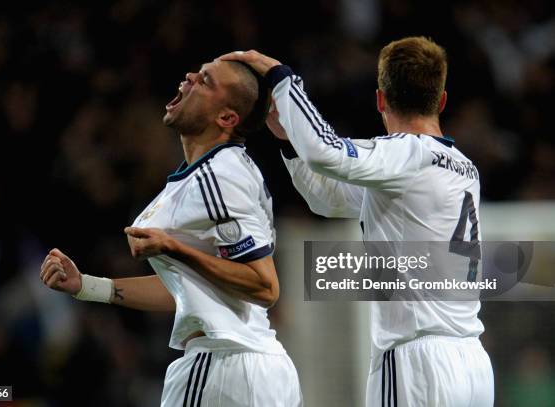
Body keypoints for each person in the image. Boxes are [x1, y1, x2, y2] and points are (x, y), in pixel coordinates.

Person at [220, 37, 494, 406]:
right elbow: (328, 199)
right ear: (441, 100)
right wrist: (289, 142)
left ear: (381, 99)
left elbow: (326, 151)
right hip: (472, 363)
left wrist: (283, 80)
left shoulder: (406, 153)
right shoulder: (463, 168)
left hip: (419, 363)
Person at [39, 59, 303, 407]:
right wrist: (86, 286)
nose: (190, 77)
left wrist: (174, 248)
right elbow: (188, 287)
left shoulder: (219, 177)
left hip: (224, 366)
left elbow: (265, 286)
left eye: (206, 81)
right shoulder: (214, 173)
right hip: (250, 367)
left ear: (226, 118)